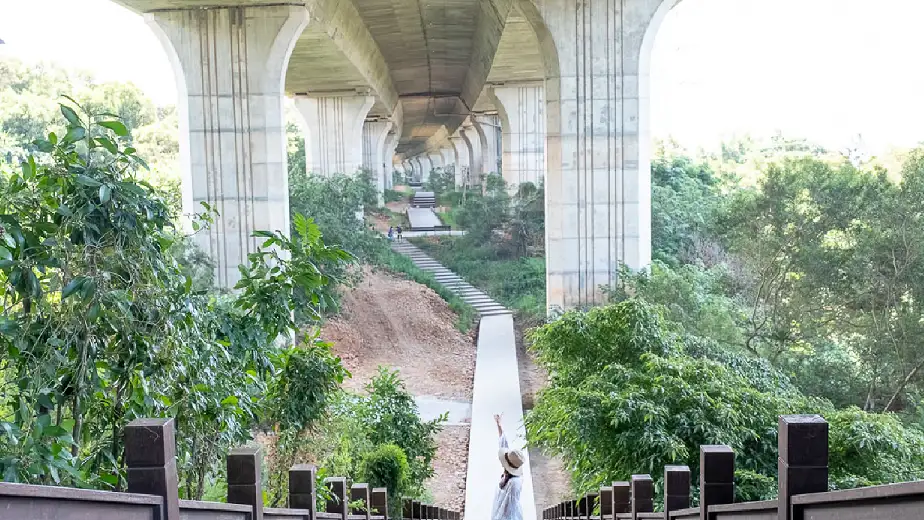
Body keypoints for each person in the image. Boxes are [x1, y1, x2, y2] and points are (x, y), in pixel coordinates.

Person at [492, 413, 524, 520]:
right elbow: (504, 444)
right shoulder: (509, 477)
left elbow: (509, 509)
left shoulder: (514, 483)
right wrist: (499, 425)